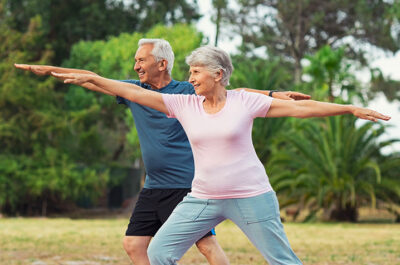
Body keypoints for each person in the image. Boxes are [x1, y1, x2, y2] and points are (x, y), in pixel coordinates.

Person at [45, 45, 390, 265]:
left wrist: (348, 108)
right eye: (191, 71)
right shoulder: (183, 104)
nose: (190, 78)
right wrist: (91, 77)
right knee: (159, 253)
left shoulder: (245, 101)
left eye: (196, 72)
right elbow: (127, 90)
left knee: (282, 260)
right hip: (203, 198)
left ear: (218, 75)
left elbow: (302, 109)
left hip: (251, 196)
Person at [15, 39, 311, 265]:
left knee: (205, 245)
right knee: (133, 244)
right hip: (154, 185)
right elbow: (93, 77)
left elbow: (234, 94)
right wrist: (50, 71)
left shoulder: (188, 92)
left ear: (162, 64)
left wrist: (272, 95)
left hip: (185, 184)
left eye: (141, 60)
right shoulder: (135, 92)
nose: (136, 66)